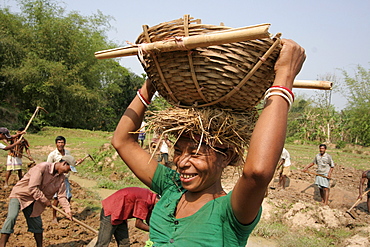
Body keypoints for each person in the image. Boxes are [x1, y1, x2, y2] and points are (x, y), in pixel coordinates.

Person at [111, 39, 305, 246]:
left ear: (226, 157)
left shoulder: (231, 213)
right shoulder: (171, 187)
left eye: (195, 153)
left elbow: (257, 173)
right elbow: (122, 141)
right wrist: (153, 81)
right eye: (179, 150)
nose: (181, 162)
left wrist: (284, 75)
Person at [0, 155, 75, 247]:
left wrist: (68, 210)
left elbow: (62, 196)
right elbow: (33, 188)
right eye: (68, 168)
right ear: (64, 163)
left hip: (35, 201)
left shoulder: (61, 178)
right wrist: (46, 201)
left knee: (37, 224)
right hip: (20, 195)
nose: (68, 171)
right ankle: (2, 244)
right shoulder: (42, 168)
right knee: (12, 217)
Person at [95, 187, 160, 247]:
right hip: (111, 211)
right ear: (158, 200)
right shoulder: (145, 200)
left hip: (121, 214)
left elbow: (148, 218)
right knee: (103, 244)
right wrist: (155, 230)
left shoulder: (150, 197)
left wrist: (157, 229)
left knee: (124, 244)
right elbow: (138, 224)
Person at [47, 136, 78, 223]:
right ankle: (54, 217)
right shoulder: (52, 155)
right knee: (57, 198)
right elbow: (49, 167)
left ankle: (67, 213)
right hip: (56, 179)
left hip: (65, 178)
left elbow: (70, 164)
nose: (60, 144)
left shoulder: (67, 152)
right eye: (59, 142)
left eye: (62, 142)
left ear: (65, 143)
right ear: (56, 144)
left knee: (68, 196)